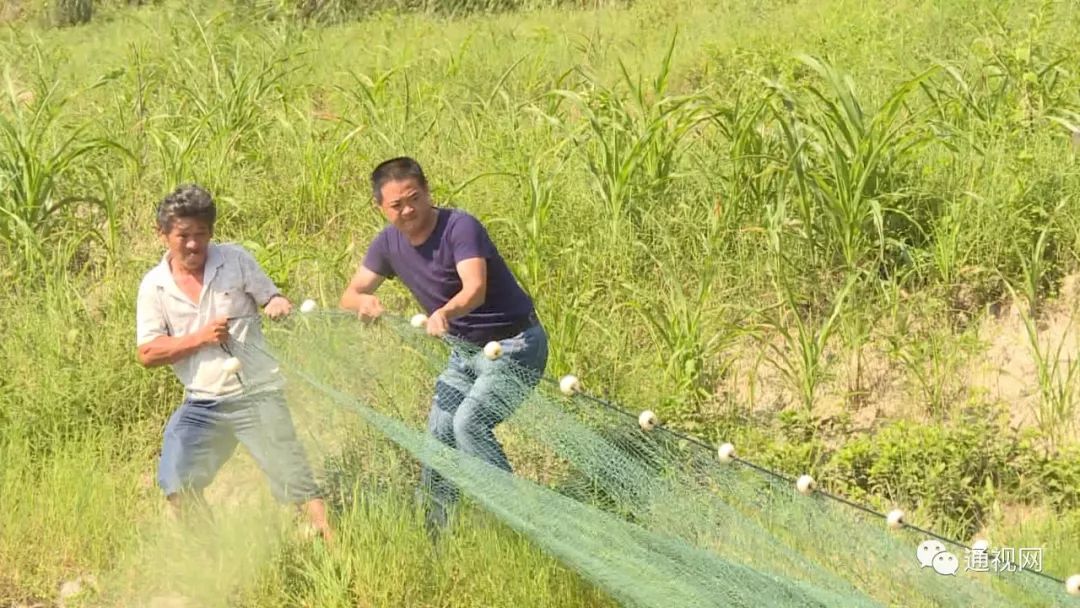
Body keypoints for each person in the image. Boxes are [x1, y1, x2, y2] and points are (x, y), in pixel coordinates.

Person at [339, 156, 549, 534]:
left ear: (427, 191)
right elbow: (350, 294)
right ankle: (436, 530)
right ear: (380, 208)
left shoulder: (460, 227)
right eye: (396, 205)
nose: (408, 210)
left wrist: (446, 313)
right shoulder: (387, 244)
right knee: (440, 433)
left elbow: (475, 289)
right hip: (465, 353)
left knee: (469, 423)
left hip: (516, 344)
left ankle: (520, 526)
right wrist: (363, 302)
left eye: (414, 198)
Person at [135, 183, 332, 543]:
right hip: (203, 401)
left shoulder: (236, 259)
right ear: (162, 234)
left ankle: (338, 554)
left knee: (297, 482)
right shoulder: (154, 287)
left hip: (258, 394)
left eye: (201, 234)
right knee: (178, 484)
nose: (193, 244)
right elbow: (147, 353)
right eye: (183, 236)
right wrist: (200, 338)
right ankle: (210, 562)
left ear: (211, 232)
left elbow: (271, 297)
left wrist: (276, 303)